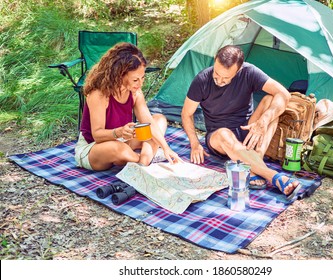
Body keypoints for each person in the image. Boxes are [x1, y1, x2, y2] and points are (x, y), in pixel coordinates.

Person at [181, 45, 302, 199]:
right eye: (216, 74)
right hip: (219, 137)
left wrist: (263, 121)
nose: (219, 80)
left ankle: (254, 164)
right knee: (225, 134)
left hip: (247, 132)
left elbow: (283, 94)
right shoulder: (202, 80)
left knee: (271, 101)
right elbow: (186, 113)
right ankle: (274, 176)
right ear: (215, 61)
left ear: (239, 70)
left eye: (225, 78)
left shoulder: (249, 72)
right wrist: (194, 143)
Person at [75, 42, 181, 171]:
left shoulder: (135, 92)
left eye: (142, 78)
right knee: (119, 149)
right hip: (95, 147)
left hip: (123, 139)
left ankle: (142, 164)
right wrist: (119, 132)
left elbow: (148, 122)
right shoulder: (99, 94)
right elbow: (97, 135)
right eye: (135, 80)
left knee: (159, 120)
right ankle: (145, 159)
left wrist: (166, 148)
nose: (140, 84)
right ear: (119, 75)